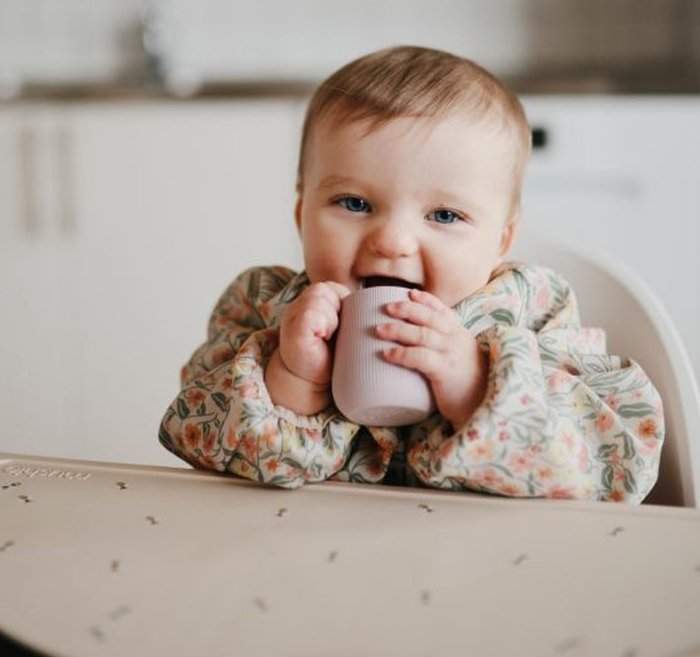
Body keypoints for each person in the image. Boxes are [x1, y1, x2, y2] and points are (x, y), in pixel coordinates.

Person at [159, 45, 663, 501]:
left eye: (445, 215)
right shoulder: (266, 307)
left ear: (501, 241)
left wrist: (477, 387)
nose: (392, 241)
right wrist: (290, 378)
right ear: (301, 216)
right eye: (354, 203)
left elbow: (616, 466)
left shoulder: (531, 314)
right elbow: (197, 437)